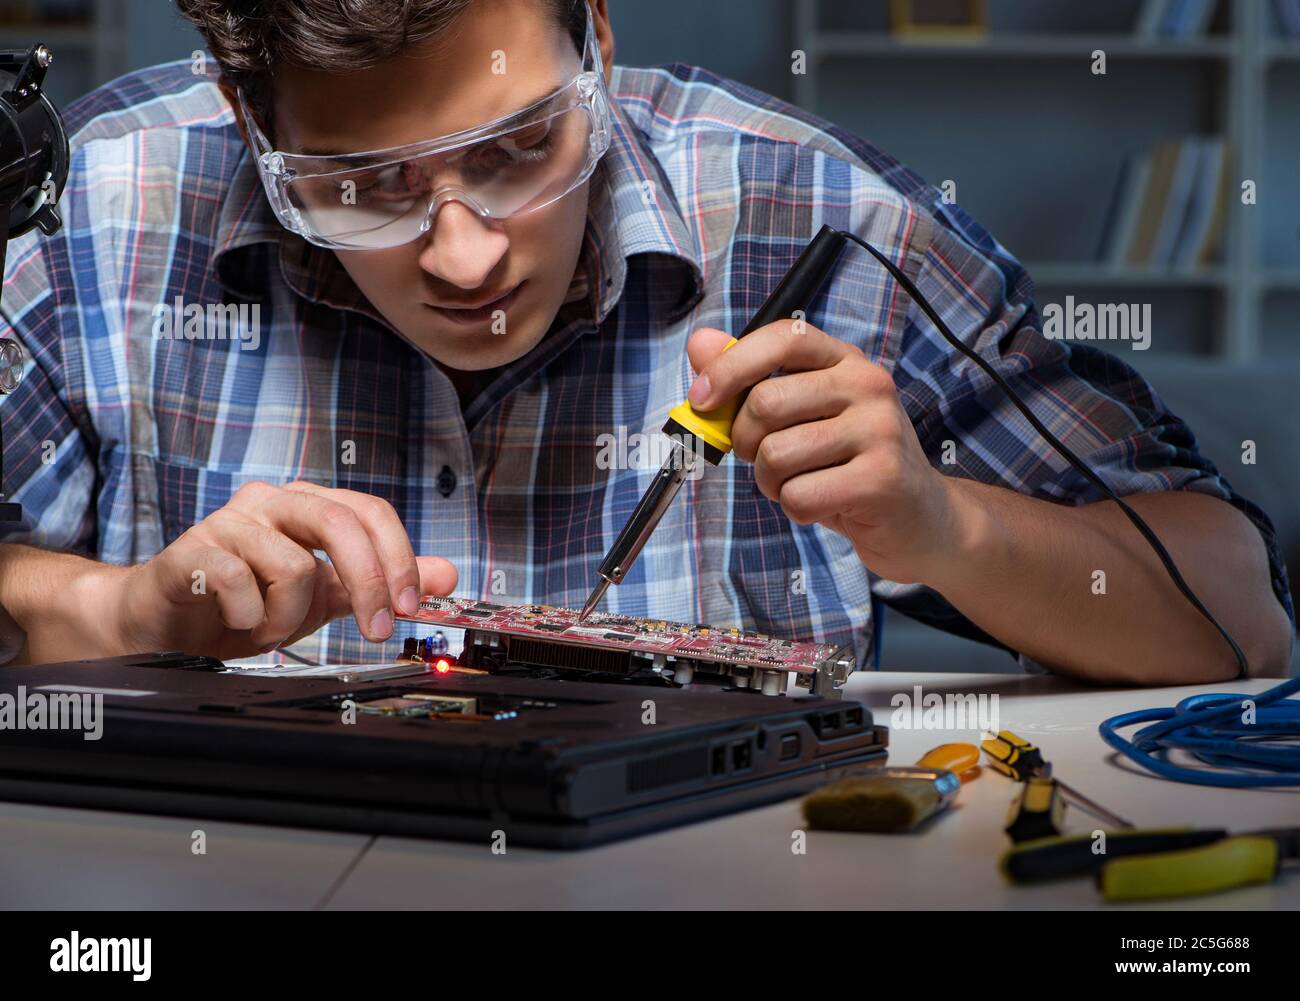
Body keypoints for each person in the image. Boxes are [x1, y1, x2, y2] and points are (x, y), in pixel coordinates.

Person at [0, 0, 1290, 682]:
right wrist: (124, 609)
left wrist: (941, 528)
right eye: (365, 185)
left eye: (519, 151)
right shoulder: (103, 209)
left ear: (599, 42)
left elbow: (1239, 622)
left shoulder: (826, 220)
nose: (463, 257)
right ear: (245, 113)